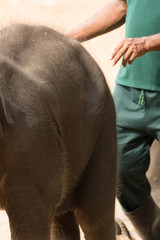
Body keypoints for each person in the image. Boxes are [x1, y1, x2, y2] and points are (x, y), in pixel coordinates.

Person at [66, 0, 160, 239]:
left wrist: (149, 42)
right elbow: (122, 6)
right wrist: (67, 38)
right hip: (130, 89)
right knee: (118, 169)